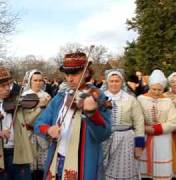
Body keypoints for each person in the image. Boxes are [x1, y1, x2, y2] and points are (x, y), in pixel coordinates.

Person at [34, 52, 111, 180]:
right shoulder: (60, 97)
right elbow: (38, 124)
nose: (69, 79)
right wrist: (48, 130)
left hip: (84, 161)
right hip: (58, 157)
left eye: (74, 74)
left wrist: (92, 114)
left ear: (86, 73)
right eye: (67, 74)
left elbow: (103, 134)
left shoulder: (98, 96)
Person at [0, 67, 43, 179]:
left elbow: (30, 121)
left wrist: (40, 108)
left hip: (19, 152)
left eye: (9, 84)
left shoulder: (18, 101)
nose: (8, 88)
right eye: (3, 86)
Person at [101, 69, 145, 180]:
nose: (114, 83)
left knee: (124, 171)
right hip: (104, 139)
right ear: (107, 82)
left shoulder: (130, 99)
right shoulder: (100, 98)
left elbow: (139, 122)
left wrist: (139, 145)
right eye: (111, 81)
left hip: (125, 140)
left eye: (117, 81)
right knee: (103, 170)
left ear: (122, 82)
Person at [137, 69, 176, 179]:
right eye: (154, 89)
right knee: (145, 170)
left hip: (163, 139)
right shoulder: (141, 99)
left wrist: (157, 129)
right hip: (145, 136)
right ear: (149, 86)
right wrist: (144, 127)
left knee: (161, 170)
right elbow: (136, 117)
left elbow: (174, 121)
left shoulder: (168, 101)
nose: (157, 92)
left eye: (160, 90)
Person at [22, 69, 51, 180]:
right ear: (30, 81)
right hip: (29, 133)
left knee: (44, 165)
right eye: (35, 80)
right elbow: (26, 119)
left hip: (43, 134)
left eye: (40, 80)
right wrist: (40, 106)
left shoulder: (47, 96)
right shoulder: (25, 96)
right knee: (30, 165)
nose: (38, 83)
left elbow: (51, 116)